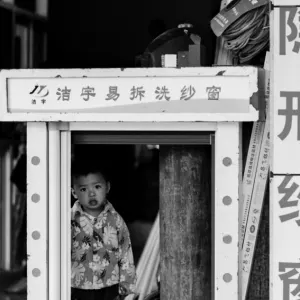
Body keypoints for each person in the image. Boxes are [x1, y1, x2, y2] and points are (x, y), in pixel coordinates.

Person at [71, 160, 137, 300]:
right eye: (83, 189)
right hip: (78, 286)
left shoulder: (115, 220)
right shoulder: (68, 221)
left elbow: (125, 253)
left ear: (107, 187)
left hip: (109, 286)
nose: (91, 193)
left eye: (97, 187)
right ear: (74, 193)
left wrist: (126, 286)